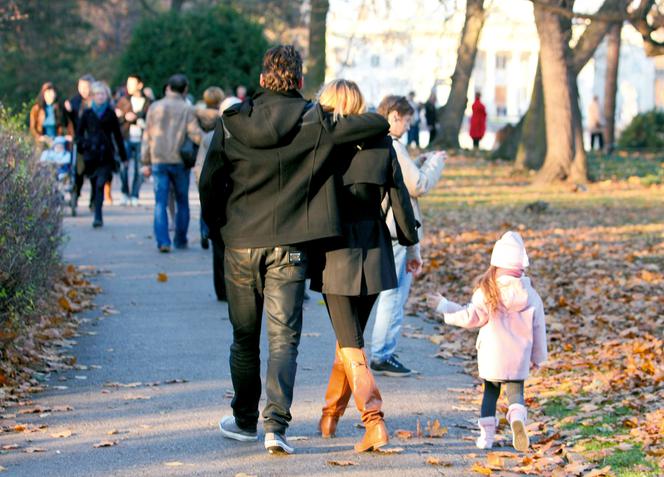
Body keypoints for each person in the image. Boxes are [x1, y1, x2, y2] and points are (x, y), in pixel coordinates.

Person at [199, 45, 390, 455]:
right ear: (301, 81)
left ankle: (245, 419)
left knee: (244, 337)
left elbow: (210, 180)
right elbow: (375, 123)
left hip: (239, 242)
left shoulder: (232, 123)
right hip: (290, 243)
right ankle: (275, 426)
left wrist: (217, 228)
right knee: (284, 338)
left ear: (263, 77)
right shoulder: (315, 120)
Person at [311, 80, 419, 452]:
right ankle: (329, 416)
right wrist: (411, 241)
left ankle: (374, 421)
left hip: (335, 252)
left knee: (350, 342)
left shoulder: (323, 144)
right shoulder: (382, 142)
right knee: (350, 339)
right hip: (375, 250)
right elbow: (399, 197)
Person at [427, 231, 547, 452]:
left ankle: (486, 438)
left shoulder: (488, 291)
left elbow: (470, 316)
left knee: (490, 395)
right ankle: (517, 419)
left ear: (496, 262)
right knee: (516, 394)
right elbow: (539, 329)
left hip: (493, 356)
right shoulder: (531, 295)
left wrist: (444, 306)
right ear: (522, 264)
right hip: (518, 357)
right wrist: (538, 358)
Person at [369, 95, 446, 376]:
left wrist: (419, 161)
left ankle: (383, 349)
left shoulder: (375, 141)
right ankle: (382, 352)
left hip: (383, 226)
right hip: (398, 227)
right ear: (394, 116)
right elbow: (418, 185)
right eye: (407, 120)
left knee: (390, 291)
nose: (408, 125)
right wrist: (435, 164)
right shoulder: (394, 145)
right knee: (394, 293)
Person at [141, 74, 203, 253]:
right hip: (179, 161)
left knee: (160, 201)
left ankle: (163, 241)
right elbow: (194, 133)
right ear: (185, 89)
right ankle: (180, 239)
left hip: (159, 159)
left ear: (168, 87)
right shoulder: (186, 108)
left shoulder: (155, 107)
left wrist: (145, 160)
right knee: (182, 200)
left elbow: (148, 135)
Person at [76, 81, 127, 228]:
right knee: (94, 182)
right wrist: (83, 144)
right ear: (92, 96)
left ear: (107, 96)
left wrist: (123, 157)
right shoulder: (87, 113)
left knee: (100, 184)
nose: (100, 97)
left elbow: (118, 136)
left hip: (106, 154)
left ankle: (98, 216)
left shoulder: (111, 113)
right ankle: (93, 202)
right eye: (97, 94)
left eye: (102, 94)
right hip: (90, 154)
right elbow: (78, 134)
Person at [195, 86, 225, 250]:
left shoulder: (197, 114)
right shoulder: (221, 116)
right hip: (217, 151)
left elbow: (192, 131)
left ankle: (203, 231)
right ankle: (211, 230)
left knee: (203, 200)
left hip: (203, 151)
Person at [116, 74, 151, 206]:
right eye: (128, 83)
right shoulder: (123, 100)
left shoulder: (148, 102)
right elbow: (117, 118)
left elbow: (150, 119)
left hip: (142, 138)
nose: (129, 86)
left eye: (132, 83)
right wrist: (125, 116)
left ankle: (135, 194)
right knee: (123, 166)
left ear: (140, 85)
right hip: (126, 137)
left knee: (139, 168)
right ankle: (124, 192)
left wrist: (135, 117)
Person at [65, 74, 95, 208]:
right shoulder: (74, 102)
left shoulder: (96, 101)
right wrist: (68, 112)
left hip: (93, 142)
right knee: (78, 172)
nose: (83, 90)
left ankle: (94, 201)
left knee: (94, 174)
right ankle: (75, 196)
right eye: (81, 86)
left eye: (86, 87)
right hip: (80, 142)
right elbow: (68, 122)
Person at [29, 82, 70, 147]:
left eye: (52, 93)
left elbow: (67, 124)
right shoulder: (37, 109)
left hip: (58, 141)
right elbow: (32, 128)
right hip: (43, 142)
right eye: (48, 93)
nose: (50, 95)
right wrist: (39, 137)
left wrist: (68, 136)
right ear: (43, 94)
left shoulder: (59, 107)